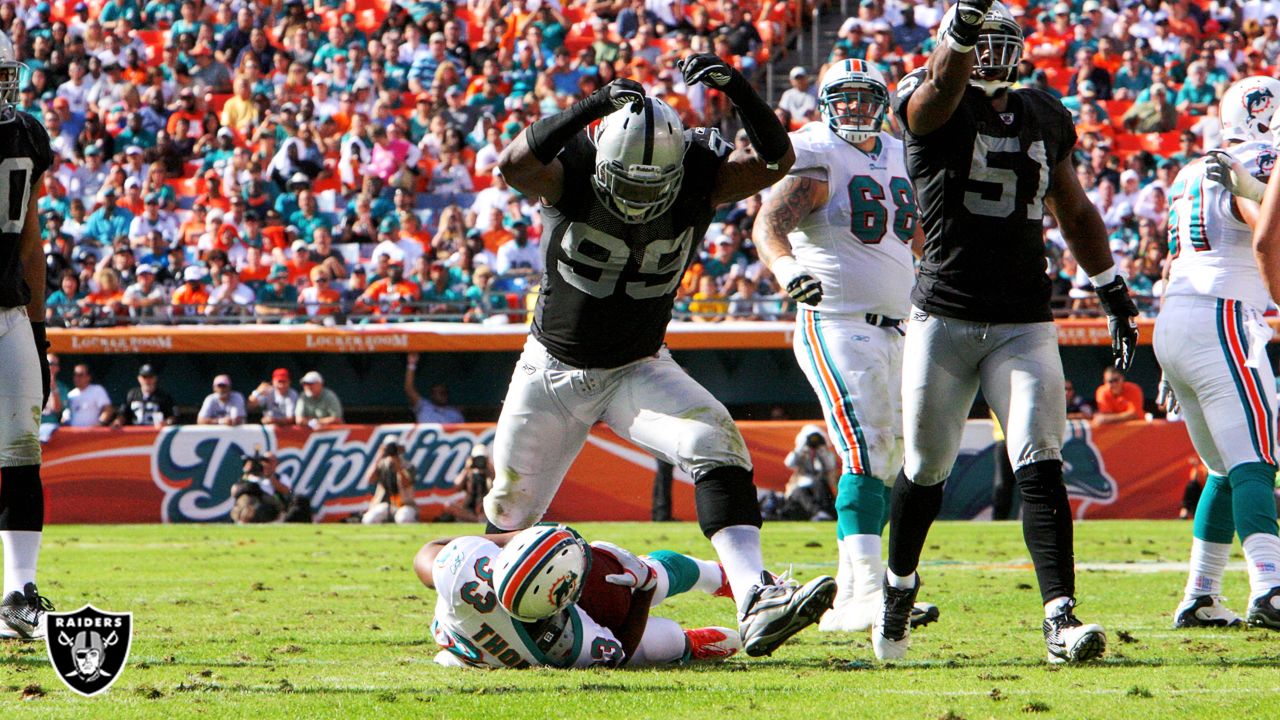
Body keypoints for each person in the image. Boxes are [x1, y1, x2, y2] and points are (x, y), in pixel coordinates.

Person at [492, 53, 834, 657]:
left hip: (636, 366)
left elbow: (778, 160)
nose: (637, 197)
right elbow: (514, 163)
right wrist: (592, 103)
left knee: (716, 441)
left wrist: (740, 89)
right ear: (601, 162)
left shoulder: (702, 172)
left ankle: (755, 594)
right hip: (550, 369)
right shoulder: (571, 167)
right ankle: (484, 625)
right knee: (509, 515)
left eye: (654, 184)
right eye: (624, 182)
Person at [874, 0, 1139, 664]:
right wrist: (959, 27)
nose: (990, 51)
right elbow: (937, 92)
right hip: (945, 313)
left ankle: (1059, 619)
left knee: (1040, 458)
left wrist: (1112, 289)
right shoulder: (932, 98)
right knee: (926, 466)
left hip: (1024, 316)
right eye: (976, 40)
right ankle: (898, 589)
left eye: (999, 40)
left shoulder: (1046, 113)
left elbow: (1073, 207)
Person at [753, 58, 932, 634]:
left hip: (901, 324)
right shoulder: (815, 150)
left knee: (895, 458)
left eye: (865, 97)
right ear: (825, 102)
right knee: (866, 449)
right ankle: (866, 595)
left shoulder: (902, 151)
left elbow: (919, 239)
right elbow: (769, 223)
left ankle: (859, 589)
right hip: (836, 318)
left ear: (883, 102)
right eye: (844, 97)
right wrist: (786, 271)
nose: (855, 108)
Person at [1158, 75, 1280, 629]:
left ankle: (1202, 592)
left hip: (1176, 317)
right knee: (1256, 457)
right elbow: (1265, 238)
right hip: (1224, 313)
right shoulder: (1263, 159)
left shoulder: (1190, 168)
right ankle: (1271, 586)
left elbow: (1172, 259)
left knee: (1223, 468)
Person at [413, 524, 741, 668]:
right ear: (563, 603)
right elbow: (620, 654)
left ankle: (724, 577)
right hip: (494, 649)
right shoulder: (563, 642)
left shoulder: (463, 569)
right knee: (661, 639)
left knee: (621, 577)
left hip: (467, 640)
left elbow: (427, 552)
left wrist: (519, 537)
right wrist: (644, 590)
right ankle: (687, 647)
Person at [0, 30, 57, 639]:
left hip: (8, 312)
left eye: (4, 75)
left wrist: (38, 328)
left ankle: (18, 595)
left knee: (21, 447)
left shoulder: (27, 134)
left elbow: (30, 238)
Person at [361, 441, 418, 524]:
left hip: (404, 504)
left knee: (403, 519)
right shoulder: (382, 465)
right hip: (385, 504)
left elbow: (406, 483)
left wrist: (398, 465)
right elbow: (370, 479)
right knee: (369, 519)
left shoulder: (408, 466)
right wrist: (379, 456)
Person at [404, 353, 464, 424]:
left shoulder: (455, 414)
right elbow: (409, 389)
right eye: (440, 392)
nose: (443, 395)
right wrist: (411, 364)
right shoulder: (423, 406)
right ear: (432, 395)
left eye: (445, 392)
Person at [442, 444, 494, 523]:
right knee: (448, 505)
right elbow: (456, 486)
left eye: (482, 459)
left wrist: (490, 469)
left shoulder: (490, 473)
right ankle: (476, 520)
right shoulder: (469, 473)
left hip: (486, 509)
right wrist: (467, 468)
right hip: (469, 509)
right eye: (477, 459)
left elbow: (497, 487)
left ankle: (476, 519)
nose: (480, 461)